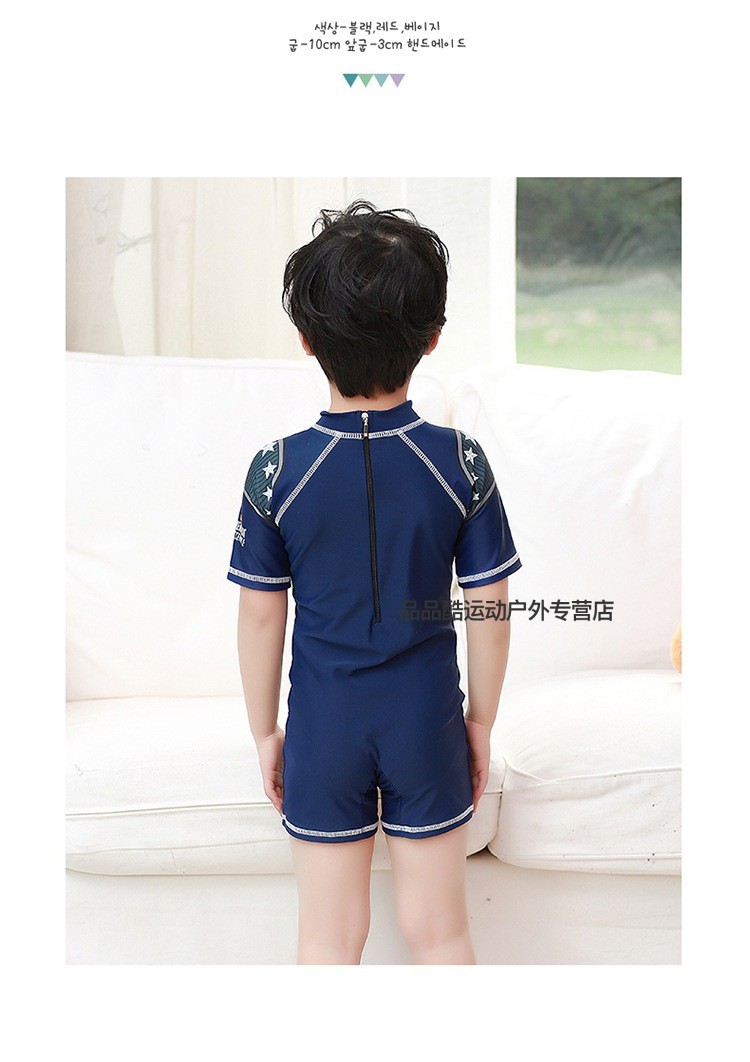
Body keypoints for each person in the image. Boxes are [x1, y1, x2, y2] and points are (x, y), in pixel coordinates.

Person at [227, 200, 521, 965]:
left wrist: (265, 733)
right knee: (441, 933)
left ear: (305, 338)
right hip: (428, 724)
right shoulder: (460, 463)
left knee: (327, 939)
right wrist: (480, 724)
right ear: (432, 338)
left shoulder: (276, 471)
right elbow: (490, 608)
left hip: (323, 728)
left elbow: (260, 618)